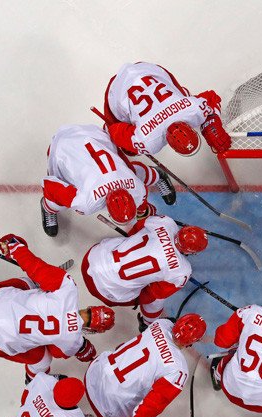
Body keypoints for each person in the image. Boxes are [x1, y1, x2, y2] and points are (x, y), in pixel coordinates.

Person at [0, 234, 114, 382]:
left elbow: (34, 266)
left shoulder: (68, 287)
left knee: (31, 283)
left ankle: (40, 284)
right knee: (44, 359)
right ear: (92, 330)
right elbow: (55, 351)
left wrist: (14, 246)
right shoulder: (73, 340)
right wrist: (83, 348)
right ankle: (33, 380)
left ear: (90, 308)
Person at [84, 314, 206, 417]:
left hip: (94, 376)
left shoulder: (161, 324)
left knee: (121, 351)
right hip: (110, 407)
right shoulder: (178, 369)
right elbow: (152, 405)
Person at [40, 124, 175, 237]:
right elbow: (49, 185)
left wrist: (144, 211)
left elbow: (140, 200)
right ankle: (48, 209)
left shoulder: (138, 190)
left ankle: (158, 174)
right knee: (58, 202)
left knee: (130, 173)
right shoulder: (85, 203)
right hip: (65, 146)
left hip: (96, 136)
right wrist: (51, 198)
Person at [81, 215, 207, 328]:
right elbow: (152, 294)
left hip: (90, 259)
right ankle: (147, 323)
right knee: (157, 299)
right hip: (104, 291)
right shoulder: (182, 271)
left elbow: (134, 230)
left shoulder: (165, 222)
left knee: (126, 242)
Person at [103, 62, 231, 157]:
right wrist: (211, 124)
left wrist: (210, 122)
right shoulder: (148, 142)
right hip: (118, 87)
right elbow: (114, 130)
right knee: (128, 150)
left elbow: (211, 97)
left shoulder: (193, 109)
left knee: (183, 96)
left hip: (149, 70)